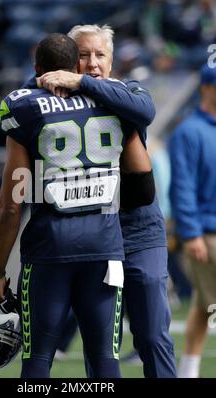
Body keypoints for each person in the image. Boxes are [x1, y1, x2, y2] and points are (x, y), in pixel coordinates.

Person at [0, 33, 155, 378]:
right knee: (105, 359)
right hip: (105, 247)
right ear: (77, 65)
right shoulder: (116, 102)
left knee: (37, 360)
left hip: (49, 246)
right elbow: (143, 182)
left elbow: (10, 206)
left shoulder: (23, 106)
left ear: (39, 69)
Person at [38, 24, 177, 378]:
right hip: (94, 232)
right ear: (70, 59)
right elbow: (1, 127)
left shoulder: (126, 90)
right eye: (83, 55)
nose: (93, 62)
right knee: (101, 344)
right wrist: (41, 79)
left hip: (137, 227)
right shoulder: (53, 98)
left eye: (100, 55)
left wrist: (82, 83)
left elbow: (145, 111)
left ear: (112, 61)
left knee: (150, 334)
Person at [169, 64, 216, 378]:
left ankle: (188, 371)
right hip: (208, 232)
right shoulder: (189, 131)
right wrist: (191, 233)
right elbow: (182, 187)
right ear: (205, 88)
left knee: (204, 304)